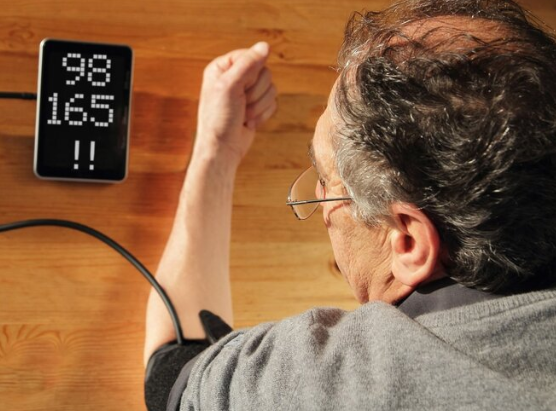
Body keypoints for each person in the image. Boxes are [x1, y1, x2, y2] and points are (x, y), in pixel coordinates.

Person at [144, 0, 556, 409]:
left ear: (409, 242)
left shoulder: (333, 382)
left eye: (326, 180)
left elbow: (171, 374)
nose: (320, 198)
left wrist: (217, 150)